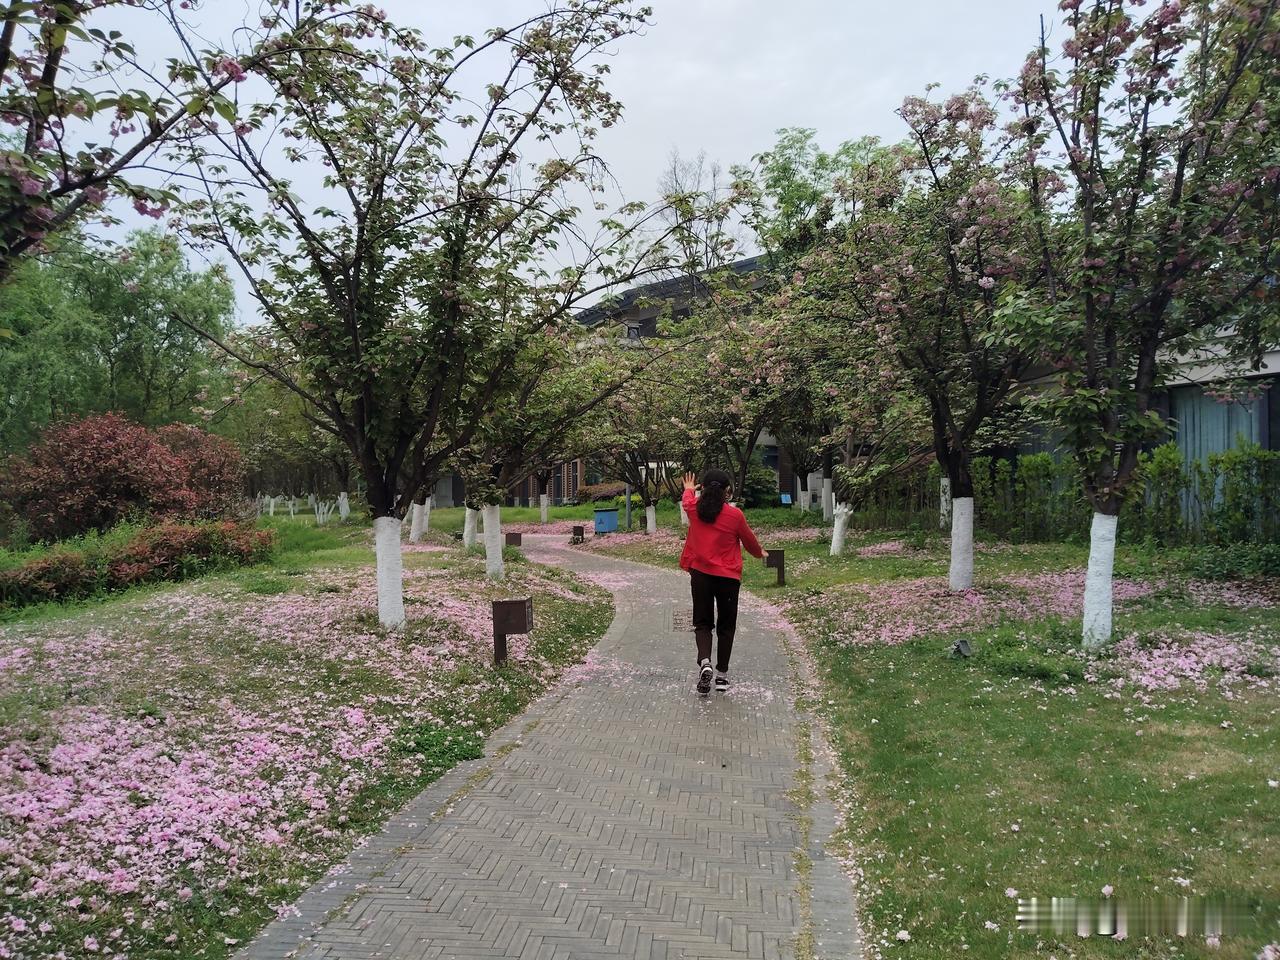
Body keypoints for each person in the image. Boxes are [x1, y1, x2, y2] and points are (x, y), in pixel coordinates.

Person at [679, 469, 765, 694]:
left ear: (704, 489)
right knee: (726, 626)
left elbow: (687, 500)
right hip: (728, 579)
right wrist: (760, 553)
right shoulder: (735, 516)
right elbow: (749, 541)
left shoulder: (694, 510)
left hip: (700, 576)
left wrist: (689, 489)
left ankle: (705, 661)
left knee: (702, 623)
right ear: (728, 491)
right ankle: (722, 676)